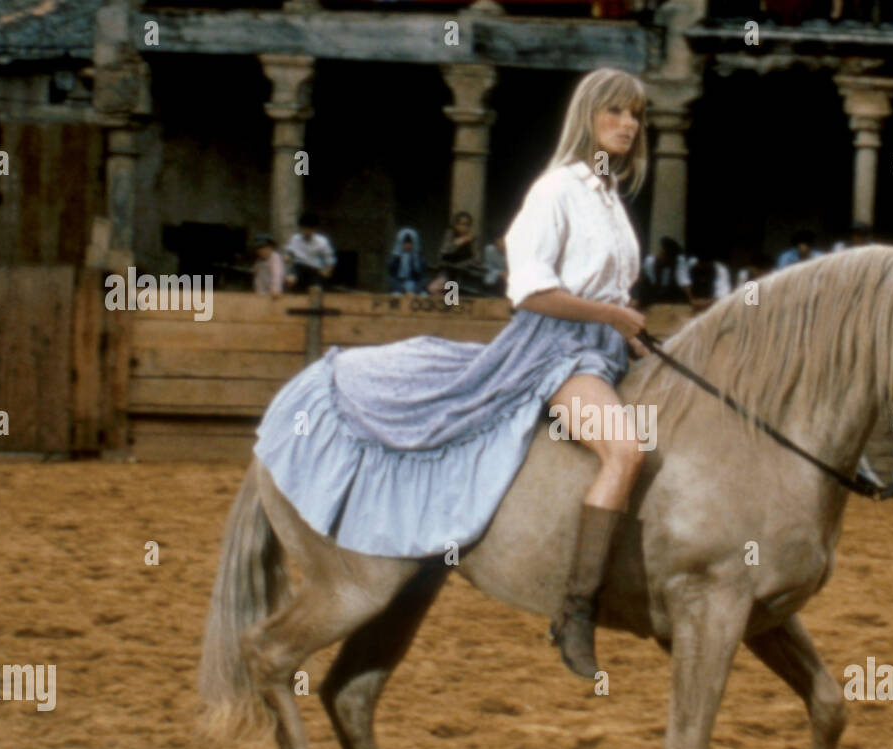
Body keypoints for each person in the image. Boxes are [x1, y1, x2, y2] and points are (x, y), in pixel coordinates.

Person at [251, 68, 649, 681]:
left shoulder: (607, 197)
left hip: (606, 347)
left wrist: (626, 328)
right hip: (556, 349)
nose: (627, 125)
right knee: (623, 451)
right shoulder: (556, 191)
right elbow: (533, 290)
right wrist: (609, 314)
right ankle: (575, 610)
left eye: (636, 115)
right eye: (615, 112)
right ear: (588, 117)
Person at [427, 211, 484, 296]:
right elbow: (443, 252)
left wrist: (463, 264)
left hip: (464, 274)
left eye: (467, 225)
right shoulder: (450, 235)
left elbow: (477, 260)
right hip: (448, 271)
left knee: (454, 296)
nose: (464, 227)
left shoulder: (472, 240)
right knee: (433, 289)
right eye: (461, 224)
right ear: (456, 225)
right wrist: (458, 243)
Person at [285, 212, 337, 291]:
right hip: (299, 267)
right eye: (304, 228)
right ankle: (290, 297)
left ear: (315, 229)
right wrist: (287, 257)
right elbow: (290, 253)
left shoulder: (322, 241)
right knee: (290, 280)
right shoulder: (295, 238)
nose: (306, 231)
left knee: (316, 289)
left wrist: (328, 270)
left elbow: (330, 259)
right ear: (300, 228)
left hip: (315, 269)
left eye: (309, 229)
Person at [638, 236, 692, 305]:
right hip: (653, 293)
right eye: (663, 254)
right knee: (645, 284)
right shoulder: (650, 261)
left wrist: (691, 301)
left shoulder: (678, 262)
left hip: (671, 294)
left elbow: (684, 282)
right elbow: (643, 278)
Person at [387, 226, 428, 294]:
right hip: (399, 287)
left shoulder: (418, 260)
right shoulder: (395, 260)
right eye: (405, 243)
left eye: (409, 243)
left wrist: (417, 288)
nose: (407, 245)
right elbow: (391, 277)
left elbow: (423, 277)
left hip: (415, 287)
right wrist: (399, 288)